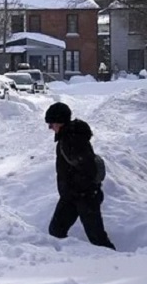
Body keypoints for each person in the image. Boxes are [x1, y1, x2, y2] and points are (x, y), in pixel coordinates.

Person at [45, 102, 115, 250]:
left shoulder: (72, 140)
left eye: (51, 124)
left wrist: (78, 190)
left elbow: (87, 168)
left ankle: (118, 265)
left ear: (60, 122)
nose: (50, 128)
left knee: (97, 238)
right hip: (72, 197)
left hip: (84, 197)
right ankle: (69, 262)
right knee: (56, 231)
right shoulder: (68, 138)